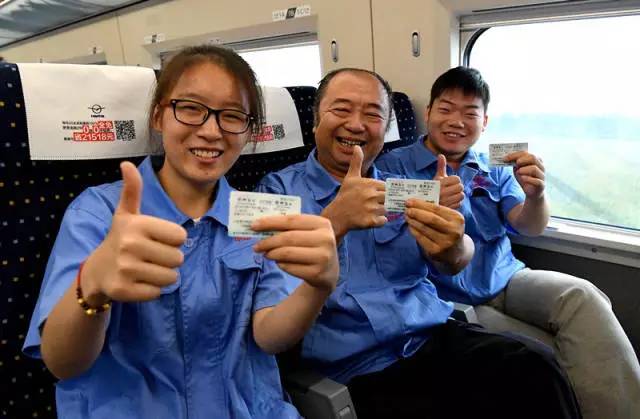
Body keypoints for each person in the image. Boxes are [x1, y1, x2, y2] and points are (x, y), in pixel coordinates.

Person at [23, 45, 340, 419]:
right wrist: (91, 285)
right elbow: (62, 363)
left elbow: (269, 336)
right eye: (190, 108)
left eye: (232, 116)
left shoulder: (260, 214)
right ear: (159, 116)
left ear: (249, 130)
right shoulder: (97, 212)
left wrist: (317, 287)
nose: (211, 131)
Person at [257, 67, 581, 419]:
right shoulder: (274, 193)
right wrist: (333, 222)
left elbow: (453, 261)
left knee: (537, 367)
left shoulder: (402, 187)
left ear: (385, 128)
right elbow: (271, 314)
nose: (356, 124)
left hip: (432, 337)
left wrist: (453, 247)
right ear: (316, 119)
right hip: (358, 368)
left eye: (373, 115)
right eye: (341, 109)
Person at [376, 66, 640, 419]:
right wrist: (433, 207)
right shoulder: (392, 167)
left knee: (584, 296)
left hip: (508, 278)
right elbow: (385, 243)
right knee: (549, 352)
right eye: (446, 109)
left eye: (470, 113)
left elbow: (528, 225)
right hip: (449, 296)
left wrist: (536, 194)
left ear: (484, 122)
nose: (456, 121)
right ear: (429, 113)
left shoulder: (495, 167)